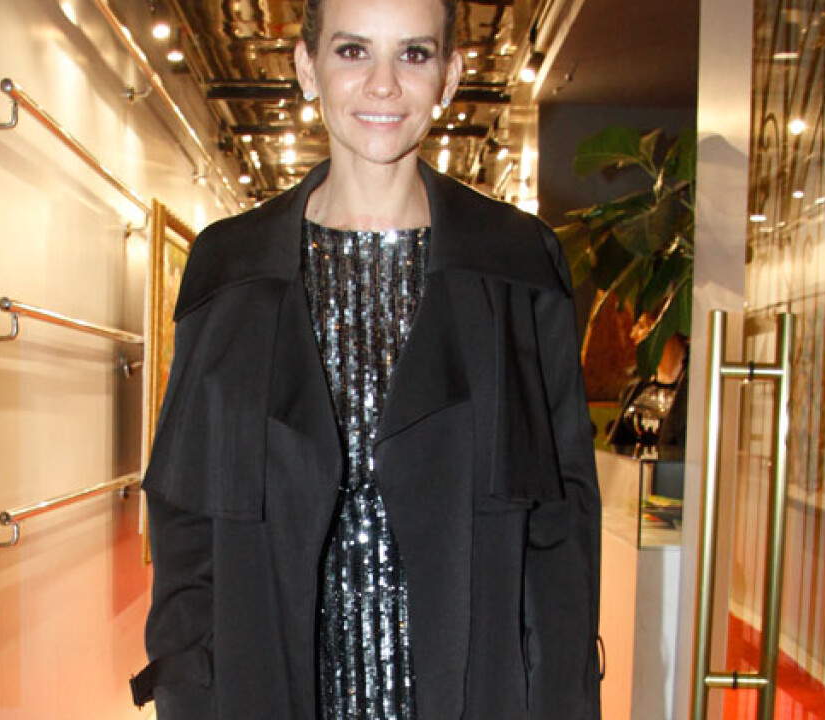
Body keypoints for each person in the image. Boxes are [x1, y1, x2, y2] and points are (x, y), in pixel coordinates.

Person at [130, 0, 601, 716]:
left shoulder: (515, 267)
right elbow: (186, 518)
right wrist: (187, 690)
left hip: (470, 689)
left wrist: (562, 694)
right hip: (273, 685)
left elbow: (561, 519)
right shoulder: (231, 271)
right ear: (306, 66)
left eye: (413, 53)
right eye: (353, 51)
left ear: (449, 75)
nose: (383, 84)